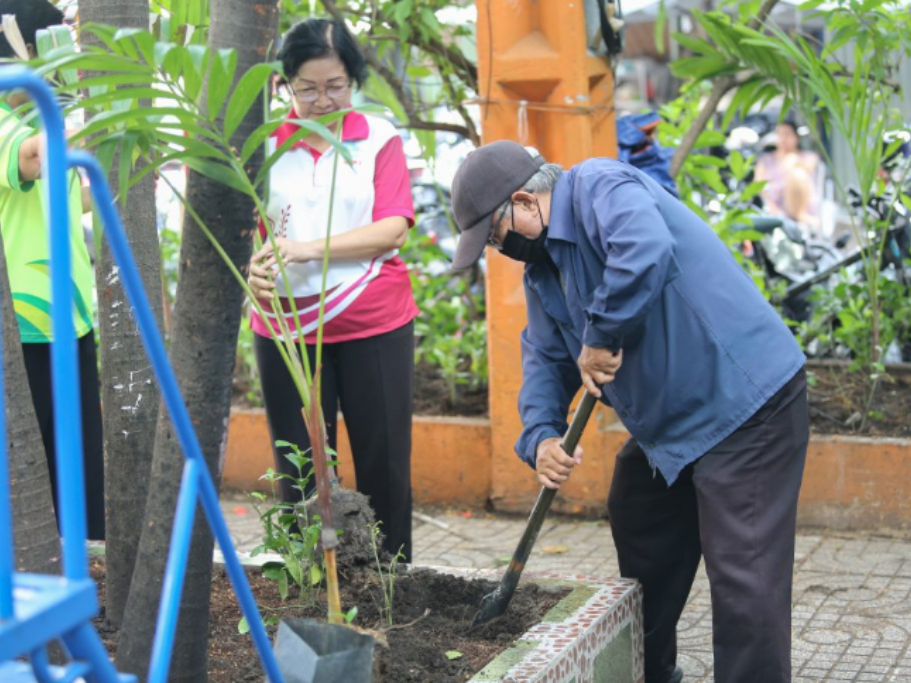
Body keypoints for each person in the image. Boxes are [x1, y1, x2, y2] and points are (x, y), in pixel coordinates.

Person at [450, 140, 809, 683]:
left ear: (524, 202)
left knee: (743, 577)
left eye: (496, 238)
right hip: (680, 425)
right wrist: (542, 437)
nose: (501, 252)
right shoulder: (544, 272)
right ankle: (649, 670)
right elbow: (545, 358)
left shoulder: (598, 185)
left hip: (745, 404)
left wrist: (601, 334)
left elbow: (644, 248)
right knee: (638, 504)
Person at [247, 18, 416, 561]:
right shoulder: (262, 146)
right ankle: (310, 583)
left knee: (383, 464)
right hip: (285, 332)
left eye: (336, 86)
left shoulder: (378, 138)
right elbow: (245, 233)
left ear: (354, 79)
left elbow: (393, 227)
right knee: (300, 466)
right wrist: (252, 270)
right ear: (285, 84)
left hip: (374, 324)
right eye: (307, 89)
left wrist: (305, 248)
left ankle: (392, 584)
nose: (322, 101)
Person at [0, 0, 104, 539]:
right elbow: (33, 159)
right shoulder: (6, 120)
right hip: (25, 329)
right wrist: (106, 102)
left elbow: (57, 200)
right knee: (35, 484)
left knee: (80, 476)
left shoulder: (35, 116)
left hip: (69, 319)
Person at [755, 119, 820, 228]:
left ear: (796, 137)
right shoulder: (765, 160)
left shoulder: (807, 157)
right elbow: (758, 185)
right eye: (779, 134)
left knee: (797, 175)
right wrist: (772, 207)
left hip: (799, 208)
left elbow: (808, 169)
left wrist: (792, 160)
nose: (783, 138)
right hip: (772, 207)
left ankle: (798, 215)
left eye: (787, 134)